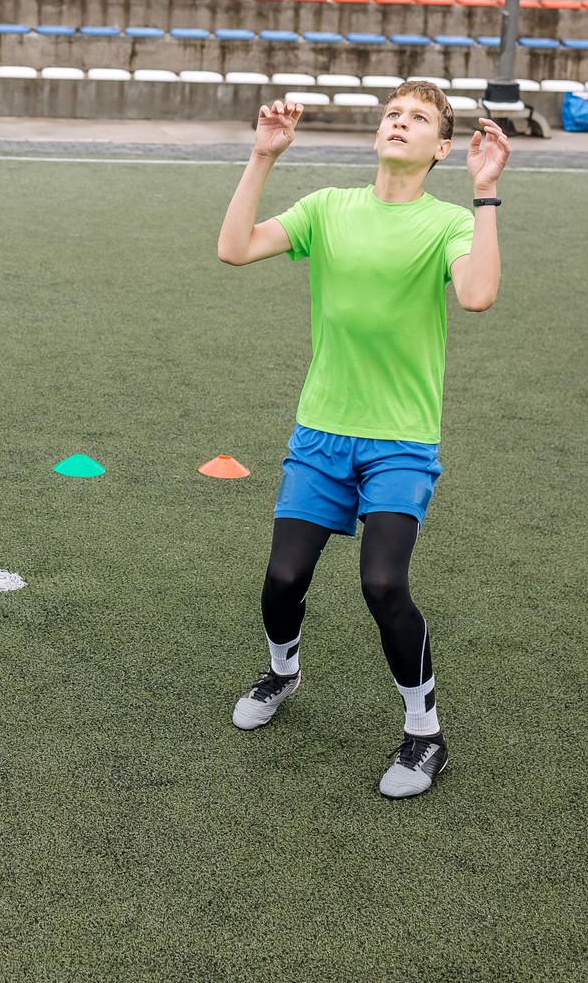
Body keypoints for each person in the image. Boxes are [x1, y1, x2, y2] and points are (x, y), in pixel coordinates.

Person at [215, 82, 510, 799]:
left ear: (443, 146)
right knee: (284, 577)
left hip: (399, 439)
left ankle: (425, 734)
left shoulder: (447, 224)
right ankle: (283, 670)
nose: (399, 123)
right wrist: (261, 157)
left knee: (383, 582)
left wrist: (486, 194)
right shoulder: (328, 207)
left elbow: (476, 294)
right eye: (392, 114)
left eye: (417, 118)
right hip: (322, 430)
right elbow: (234, 249)